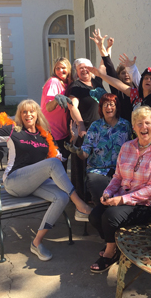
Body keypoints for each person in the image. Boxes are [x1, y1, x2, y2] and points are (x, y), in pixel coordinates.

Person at [0, 95, 92, 261]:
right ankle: (81, 205)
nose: (28, 115)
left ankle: (36, 243)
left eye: (32, 111)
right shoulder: (13, 130)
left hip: (35, 183)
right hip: (15, 182)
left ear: (37, 114)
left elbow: (60, 158)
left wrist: (73, 138)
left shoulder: (44, 135)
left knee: (62, 196)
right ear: (20, 115)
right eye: (24, 112)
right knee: (51, 164)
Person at [88, 106, 151, 273]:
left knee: (110, 217)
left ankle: (110, 254)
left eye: (147, 123)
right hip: (121, 197)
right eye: (139, 123)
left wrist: (122, 200)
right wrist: (108, 192)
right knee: (95, 216)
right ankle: (114, 243)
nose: (143, 127)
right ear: (134, 127)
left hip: (145, 205)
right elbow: (117, 177)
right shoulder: (126, 147)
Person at [65, 93, 132, 207]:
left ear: (117, 107)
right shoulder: (95, 126)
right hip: (98, 171)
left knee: (120, 200)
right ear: (100, 108)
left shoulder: (125, 125)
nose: (108, 108)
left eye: (111, 104)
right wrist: (76, 147)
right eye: (105, 105)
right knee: (101, 199)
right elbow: (85, 152)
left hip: (121, 172)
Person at [88, 65, 151, 138]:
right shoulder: (135, 94)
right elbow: (118, 84)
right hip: (136, 139)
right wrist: (101, 75)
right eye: (146, 78)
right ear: (142, 80)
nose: (148, 80)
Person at [66, 58, 107, 199]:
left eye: (86, 67)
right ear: (77, 71)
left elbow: (103, 65)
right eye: (80, 68)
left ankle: (97, 193)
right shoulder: (76, 86)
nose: (84, 70)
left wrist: (106, 49)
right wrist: (81, 125)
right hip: (86, 131)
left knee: (98, 162)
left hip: (101, 130)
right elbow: (72, 106)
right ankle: (83, 197)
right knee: (83, 164)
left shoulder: (97, 82)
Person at [90, 29, 137, 123]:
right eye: (123, 73)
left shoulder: (139, 87)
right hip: (122, 130)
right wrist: (101, 47)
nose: (126, 74)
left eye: (128, 72)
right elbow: (109, 66)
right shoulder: (117, 89)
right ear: (118, 76)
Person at [41, 57, 73, 171]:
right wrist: (56, 99)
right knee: (54, 169)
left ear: (68, 69)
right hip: (51, 133)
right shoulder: (53, 82)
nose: (60, 71)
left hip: (62, 132)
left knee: (61, 167)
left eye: (63, 68)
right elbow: (48, 107)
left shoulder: (67, 84)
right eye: (57, 68)